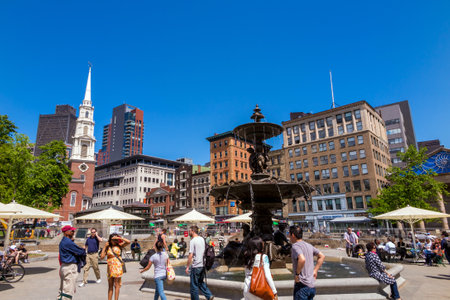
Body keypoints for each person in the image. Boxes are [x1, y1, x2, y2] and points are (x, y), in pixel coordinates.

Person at [289, 225, 325, 300]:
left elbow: (302, 259)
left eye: (289, 234)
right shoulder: (309, 245)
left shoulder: (295, 246)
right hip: (311, 286)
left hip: (301, 286)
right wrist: (315, 270)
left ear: (293, 235)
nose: (288, 236)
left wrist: (297, 274)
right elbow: (322, 256)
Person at [185, 225, 214, 300]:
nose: (189, 232)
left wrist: (187, 266)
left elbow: (190, 255)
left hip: (196, 266)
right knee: (200, 282)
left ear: (193, 231)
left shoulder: (193, 241)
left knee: (194, 286)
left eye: (190, 230)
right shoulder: (202, 239)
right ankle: (209, 295)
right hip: (203, 265)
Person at [58, 225, 86, 300]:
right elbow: (81, 252)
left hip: (65, 266)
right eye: (72, 231)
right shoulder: (68, 242)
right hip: (69, 267)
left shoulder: (65, 241)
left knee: (63, 289)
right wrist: (83, 249)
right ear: (66, 232)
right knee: (68, 290)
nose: (73, 232)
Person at [100, 234, 131, 300]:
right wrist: (105, 247)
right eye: (113, 239)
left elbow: (128, 242)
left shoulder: (120, 245)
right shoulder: (108, 247)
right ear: (110, 240)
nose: (114, 241)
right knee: (110, 286)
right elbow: (102, 257)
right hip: (110, 268)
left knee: (117, 285)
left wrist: (120, 238)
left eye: (115, 239)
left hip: (117, 267)